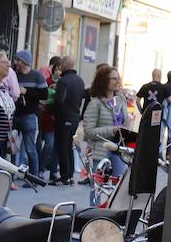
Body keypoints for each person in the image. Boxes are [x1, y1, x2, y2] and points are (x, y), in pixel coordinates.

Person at [82, 65, 128, 181]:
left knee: (118, 185)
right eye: (113, 78)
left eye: (118, 78)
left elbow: (125, 122)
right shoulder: (95, 103)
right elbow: (89, 131)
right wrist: (112, 129)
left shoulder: (121, 99)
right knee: (99, 187)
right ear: (104, 81)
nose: (117, 81)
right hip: (101, 151)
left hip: (119, 149)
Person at [51, 56, 85, 185]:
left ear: (65, 64)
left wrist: (53, 111)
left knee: (62, 146)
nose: (60, 66)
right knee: (68, 146)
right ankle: (69, 175)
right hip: (74, 117)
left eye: (61, 64)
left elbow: (59, 101)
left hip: (64, 117)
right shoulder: (80, 80)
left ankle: (64, 176)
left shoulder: (63, 81)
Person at [12, 50, 46, 177]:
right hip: (15, 115)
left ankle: (33, 176)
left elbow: (44, 94)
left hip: (30, 116)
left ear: (24, 62)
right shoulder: (14, 75)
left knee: (30, 148)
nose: (16, 63)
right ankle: (12, 175)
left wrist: (26, 91)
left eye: (18, 60)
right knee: (13, 147)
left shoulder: (37, 76)